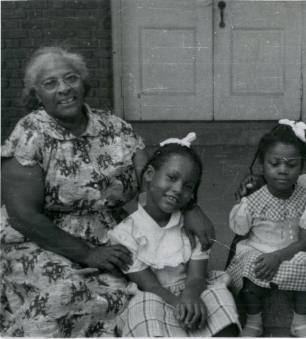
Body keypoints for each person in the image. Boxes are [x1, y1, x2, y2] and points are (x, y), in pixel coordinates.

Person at [0, 46, 215, 337]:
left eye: (71, 78)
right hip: (42, 239)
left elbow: (151, 178)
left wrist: (191, 209)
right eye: (50, 83)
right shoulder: (30, 133)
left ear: (84, 83)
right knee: (66, 294)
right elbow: (22, 216)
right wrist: (87, 254)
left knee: (133, 292)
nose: (64, 89)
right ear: (36, 94)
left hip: (110, 234)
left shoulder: (114, 127)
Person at [108, 132, 241, 337]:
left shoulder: (191, 227)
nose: (178, 189)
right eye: (171, 177)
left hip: (193, 288)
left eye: (188, 186)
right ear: (149, 174)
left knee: (219, 297)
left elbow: (197, 275)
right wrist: (178, 303)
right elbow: (148, 284)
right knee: (143, 311)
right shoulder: (125, 233)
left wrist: (191, 296)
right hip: (155, 295)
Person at [226, 120, 306, 337]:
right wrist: (244, 201)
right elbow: (241, 230)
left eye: (291, 165)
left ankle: (300, 322)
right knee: (249, 266)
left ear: (302, 167)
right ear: (263, 165)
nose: (283, 171)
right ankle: (254, 321)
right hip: (258, 250)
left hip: (291, 251)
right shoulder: (253, 199)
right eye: (274, 164)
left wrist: (278, 257)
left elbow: (304, 243)